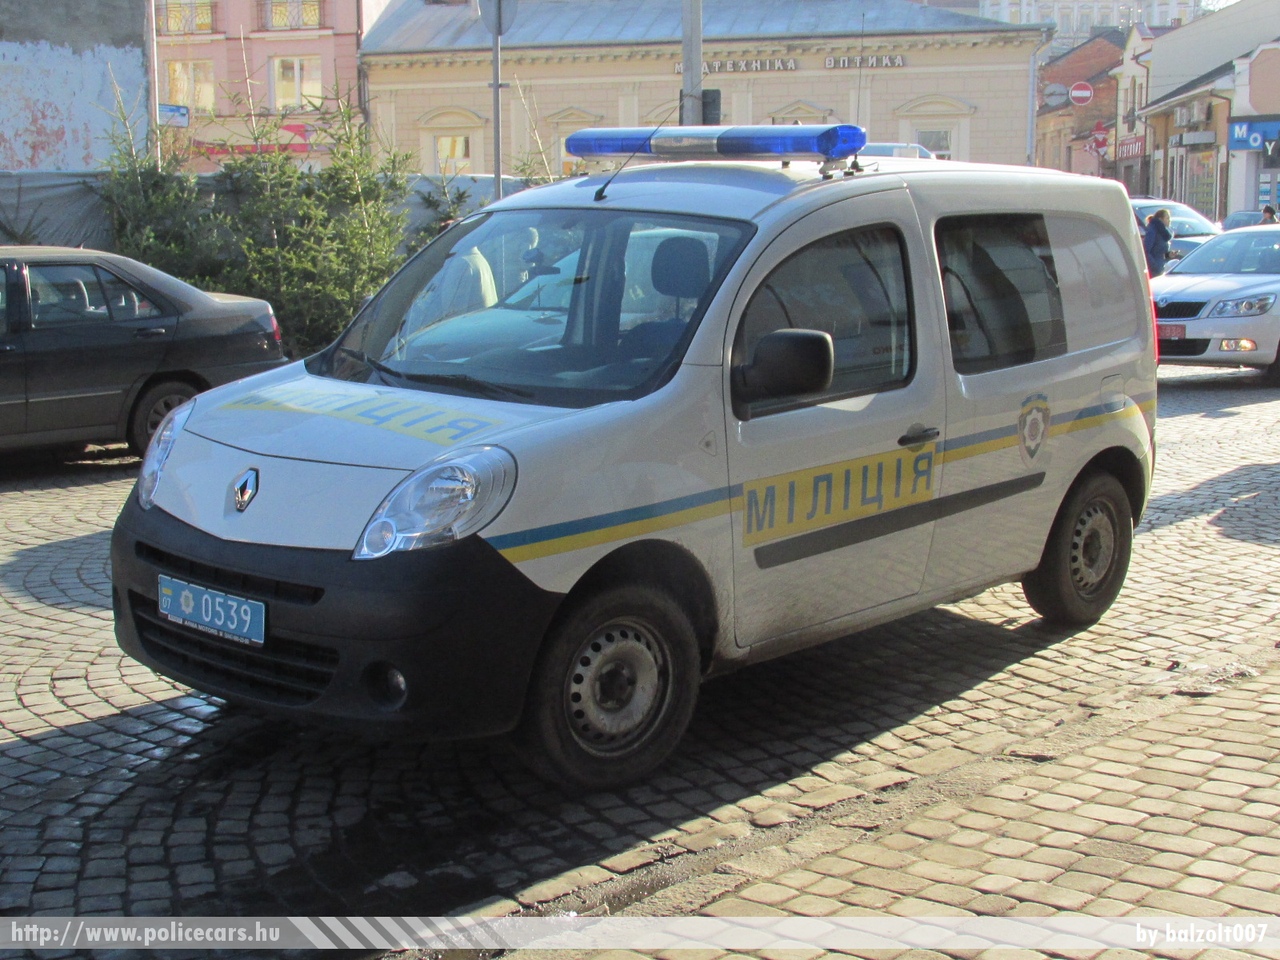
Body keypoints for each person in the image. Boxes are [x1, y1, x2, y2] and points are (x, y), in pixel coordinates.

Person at [1143, 208, 1172, 276]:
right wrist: (1155, 266)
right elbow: (1145, 250)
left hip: (1161, 268)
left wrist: (1169, 255)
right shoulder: (1152, 231)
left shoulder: (1163, 232)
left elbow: (1160, 255)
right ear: (1160, 219)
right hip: (1154, 271)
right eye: (1167, 218)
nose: (1169, 220)